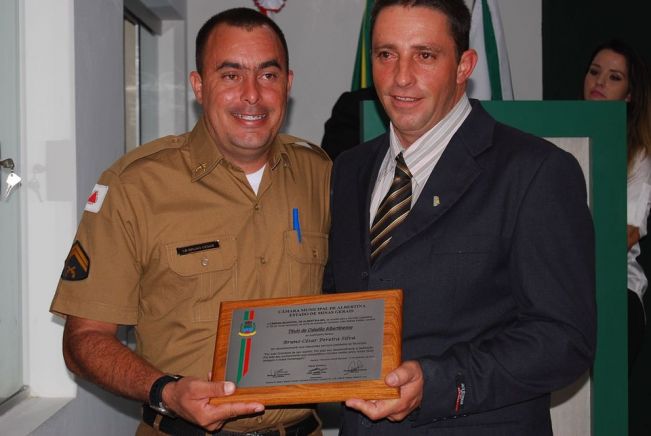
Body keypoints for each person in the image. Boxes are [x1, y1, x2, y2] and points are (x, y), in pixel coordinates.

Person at [50, 8, 330, 436]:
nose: (252, 95)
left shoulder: (321, 174)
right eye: (231, 75)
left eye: (268, 75)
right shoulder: (135, 186)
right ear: (199, 86)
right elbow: (83, 340)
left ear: (288, 84)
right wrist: (165, 390)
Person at [324, 0, 596, 434]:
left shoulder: (535, 171)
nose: (401, 76)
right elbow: (338, 302)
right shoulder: (349, 169)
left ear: (464, 66)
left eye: (425, 55)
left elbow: (563, 340)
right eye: (386, 54)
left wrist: (436, 383)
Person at [583, 39, 651, 368]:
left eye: (614, 77)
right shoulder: (559, 143)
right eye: (594, 72)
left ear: (629, 94)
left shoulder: (638, 155)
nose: (599, 82)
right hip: (563, 291)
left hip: (616, 293)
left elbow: (627, 234)